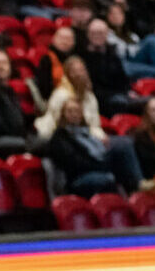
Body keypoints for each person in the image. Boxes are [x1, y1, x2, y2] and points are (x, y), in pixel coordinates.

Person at [35, 57, 144, 192]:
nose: (79, 74)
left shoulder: (89, 96)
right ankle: (136, 186)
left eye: (82, 70)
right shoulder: (61, 96)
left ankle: (136, 189)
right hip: (70, 139)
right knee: (120, 149)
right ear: (68, 74)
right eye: (75, 71)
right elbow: (54, 123)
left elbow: (94, 125)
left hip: (86, 136)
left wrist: (100, 137)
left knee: (128, 143)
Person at [78, 18, 140, 115]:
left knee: (151, 103)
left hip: (119, 95)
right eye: (94, 33)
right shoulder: (82, 56)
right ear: (88, 34)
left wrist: (128, 91)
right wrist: (118, 94)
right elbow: (92, 87)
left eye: (100, 33)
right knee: (121, 103)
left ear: (107, 34)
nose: (97, 36)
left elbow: (122, 78)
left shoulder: (112, 53)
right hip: (100, 99)